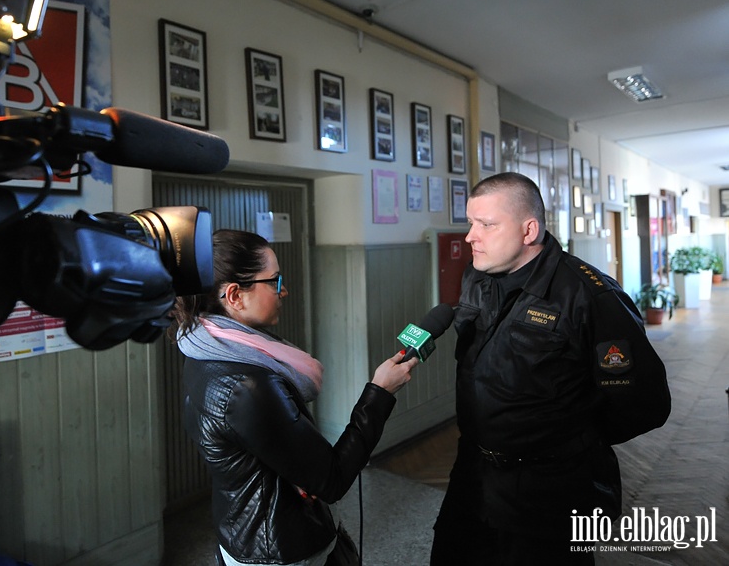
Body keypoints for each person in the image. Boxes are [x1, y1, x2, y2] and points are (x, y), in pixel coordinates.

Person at [430, 172, 671, 565]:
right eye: (470, 223)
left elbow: (644, 403)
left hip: (550, 494)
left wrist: (569, 440)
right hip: (472, 478)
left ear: (529, 230)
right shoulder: (477, 278)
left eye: (486, 225)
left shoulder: (590, 297)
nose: (471, 237)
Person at [173, 229, 418, 566]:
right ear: (235, 296)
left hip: (238, 529)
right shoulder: (248, 386)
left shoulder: (202, 346)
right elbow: (330, 480)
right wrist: (380, 393)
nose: (283, 289)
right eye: (274, 280)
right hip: (278, 547)